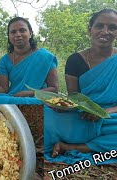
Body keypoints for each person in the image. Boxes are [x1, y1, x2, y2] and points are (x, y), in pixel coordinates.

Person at [44, 8, 117, 165]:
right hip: (83, 117)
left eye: (112, 27)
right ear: (90, 29)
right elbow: (75, 98)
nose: (106, 31)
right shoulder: (75, 60)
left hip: (112, 117)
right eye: (100, 26)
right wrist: (61, 105)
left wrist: (104, 112)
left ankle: (71, 146)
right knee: (46, 119)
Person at [0, 17, 58, 104]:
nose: (18, 34)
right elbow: (3, 91)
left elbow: (54, 89)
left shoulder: (45, 56)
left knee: (31, 102)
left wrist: (29, 93)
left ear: (30, 33)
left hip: (36, 98)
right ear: (9, 36)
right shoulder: (4, 60)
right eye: (13, 32)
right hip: (12, 97)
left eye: (22, 30)